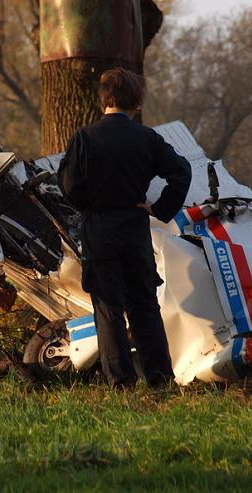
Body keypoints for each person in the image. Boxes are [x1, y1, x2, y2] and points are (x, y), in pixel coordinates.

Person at [58, 68, 192, 389]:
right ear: (137, 100)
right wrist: (159, 209)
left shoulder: (85, 138)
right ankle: (160, 377)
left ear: (104, 98)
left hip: (99, 228)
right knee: (144, 303)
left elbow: (69, 184)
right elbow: (181, 172)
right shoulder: (146, 138)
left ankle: (121, 380)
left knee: (108, 307)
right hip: (134, 227)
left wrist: (88, 205)